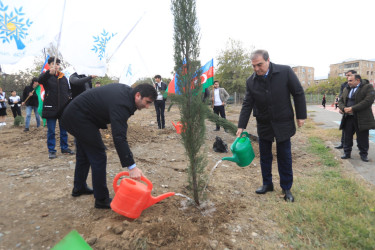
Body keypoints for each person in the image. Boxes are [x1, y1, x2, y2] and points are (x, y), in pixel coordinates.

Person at [61, 83, 157, 209]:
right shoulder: (122, 103)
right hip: (78, 118)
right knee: (99, 155)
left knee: (84, 155)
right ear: (138, 95)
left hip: (78, 115)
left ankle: (79, 187)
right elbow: (119, 136)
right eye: (147, 102)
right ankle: (101, 199)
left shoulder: (127, 95)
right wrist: (132, 166)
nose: (148, 107)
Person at [237, 50, 307, 202]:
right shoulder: (251, 81)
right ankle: (267, 184)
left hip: (283, 122)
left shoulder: (285, 72)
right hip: (264, 123)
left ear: (268, 60)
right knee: (265, 157)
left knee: (285, 156)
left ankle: (286, 187)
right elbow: (247, 103)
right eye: (253, 66)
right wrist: (241, 126)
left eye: (259, 65)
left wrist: (301, 115)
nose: (256, 69)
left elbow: (298, 93)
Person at [38, 57, 74, 159]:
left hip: (63, 109)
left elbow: (68, 90)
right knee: (51, 131)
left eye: (58, 64)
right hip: (50, 108)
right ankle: (52, 150)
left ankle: (64, 148)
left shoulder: (63, 78)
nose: (56, 66)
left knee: (64, 130)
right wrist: (49, 73)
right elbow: (40, 80)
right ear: (49, 65)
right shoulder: (46, 76)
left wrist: (68, 98)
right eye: (54, 64)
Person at [338, 74, 375, 162]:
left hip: (361, 118)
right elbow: (341, 100)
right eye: (348, 81)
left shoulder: (368, 87)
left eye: (350, 80)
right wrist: (343, 108)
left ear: (358, 80)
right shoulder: (347, 88)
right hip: (348, 117)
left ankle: (363, 154)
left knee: (362, 137)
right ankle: (347, 153)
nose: (348, 82)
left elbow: (368, 101)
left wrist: (352, 108)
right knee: (347, 136)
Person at [335, 70, 357, 149]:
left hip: (357, 111)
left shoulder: (360, 84)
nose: (347, 77)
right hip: (346, 110)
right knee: (345, 128)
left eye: (349, 75)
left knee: (359, 130)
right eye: (346, 75)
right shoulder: (344, 85)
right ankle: (343, 144)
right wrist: (341, 108)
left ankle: (362, 148)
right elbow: (341, 97)